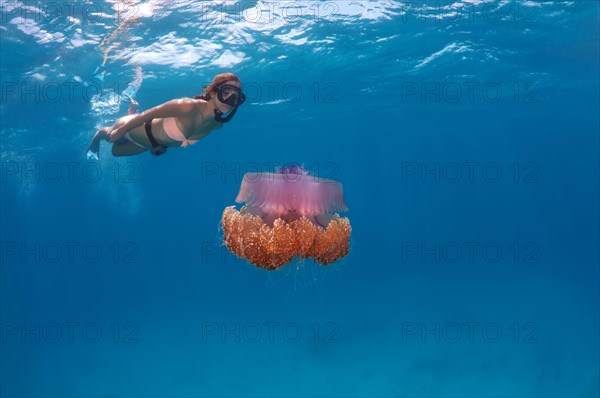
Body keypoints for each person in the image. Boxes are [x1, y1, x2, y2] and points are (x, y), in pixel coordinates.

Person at [87, 72, 245, 159]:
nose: (231, 100)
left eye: (237, 97)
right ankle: (101, 131)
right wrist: (121, 131)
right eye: (227, 92)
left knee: (115, 152)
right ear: (213, 91)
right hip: (133, 127)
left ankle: (131, 108)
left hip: (146, 145)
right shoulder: (188, 106)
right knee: (109, 137)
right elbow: (150, 114)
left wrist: (163, 146)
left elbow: (174, 134)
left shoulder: (215, 125)